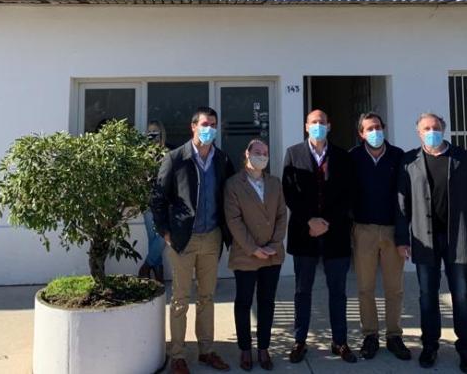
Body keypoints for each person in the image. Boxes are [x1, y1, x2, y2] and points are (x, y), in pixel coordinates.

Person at [395, 112, 467, 373]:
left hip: (458, 238)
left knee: (461, 295)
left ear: (443, 129)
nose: (431, 131)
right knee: (427, 296)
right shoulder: (409, 161)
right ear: (418, 132)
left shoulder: (461, 158)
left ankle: (466, 349)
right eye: (426, 128)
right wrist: (402, 238)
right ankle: (430, 345)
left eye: (435, 127)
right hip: (425, 240)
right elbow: (402, 204)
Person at [151, 107, 236, 374]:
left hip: (212, 238)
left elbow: (229, 197)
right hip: (182, 239)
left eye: (212, 124)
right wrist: (165, 232)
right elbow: (158, 198)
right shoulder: (176, 158)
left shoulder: (222, 159)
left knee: (207, 297)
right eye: (204, 124)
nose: (208, 128)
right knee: (180, 299)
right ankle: (177, 354)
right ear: (193, 127)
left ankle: (206, 351)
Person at [282, 109, 357, 364]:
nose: (318, 126)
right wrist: (309, 221)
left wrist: (328, 223)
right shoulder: (293, 153)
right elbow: (289, 191)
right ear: (306, 126)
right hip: (304, 233)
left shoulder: (342, 156)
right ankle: (300, 341)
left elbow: (348, 194)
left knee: (338, 291)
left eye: (322, 122)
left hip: (335, 234)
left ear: (329, 125)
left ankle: (340, 341)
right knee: (303, 291)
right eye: (313, 122)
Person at [348, 112, 410, 361]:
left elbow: (404, 196)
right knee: (365, 287)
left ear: (384, 128)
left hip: (392, 229)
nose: (374, 132)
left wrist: (404, 234)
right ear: (361, 133)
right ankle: (370, 335)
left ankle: (394, 335)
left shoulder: (398, 156)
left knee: (394, 288)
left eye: (378, 127)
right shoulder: (353, 157)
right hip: (364, 230)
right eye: (369, 129)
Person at [224, 139, 287, 371]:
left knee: (267, 301)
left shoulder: (275, 183)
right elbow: (234, 220)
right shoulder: (233, 184)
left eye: (266, 153)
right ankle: (245, 349)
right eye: (257, 152)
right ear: (247, 154)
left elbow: (282, 215)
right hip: (245, 254)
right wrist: (253, 249)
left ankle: (263, 348)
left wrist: (273, 244)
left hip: (272, 254)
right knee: (243, 301)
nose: (262, 156)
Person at [140, 120, 169, 282]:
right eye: (150, 132)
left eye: (156, 132)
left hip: (164, 204)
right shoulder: (142, 154)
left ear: (161, 134)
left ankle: (146, 265)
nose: (153, 135)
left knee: (162, 236)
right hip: (147, 202)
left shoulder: (168, 153)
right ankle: (158, 271)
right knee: (152, 237)